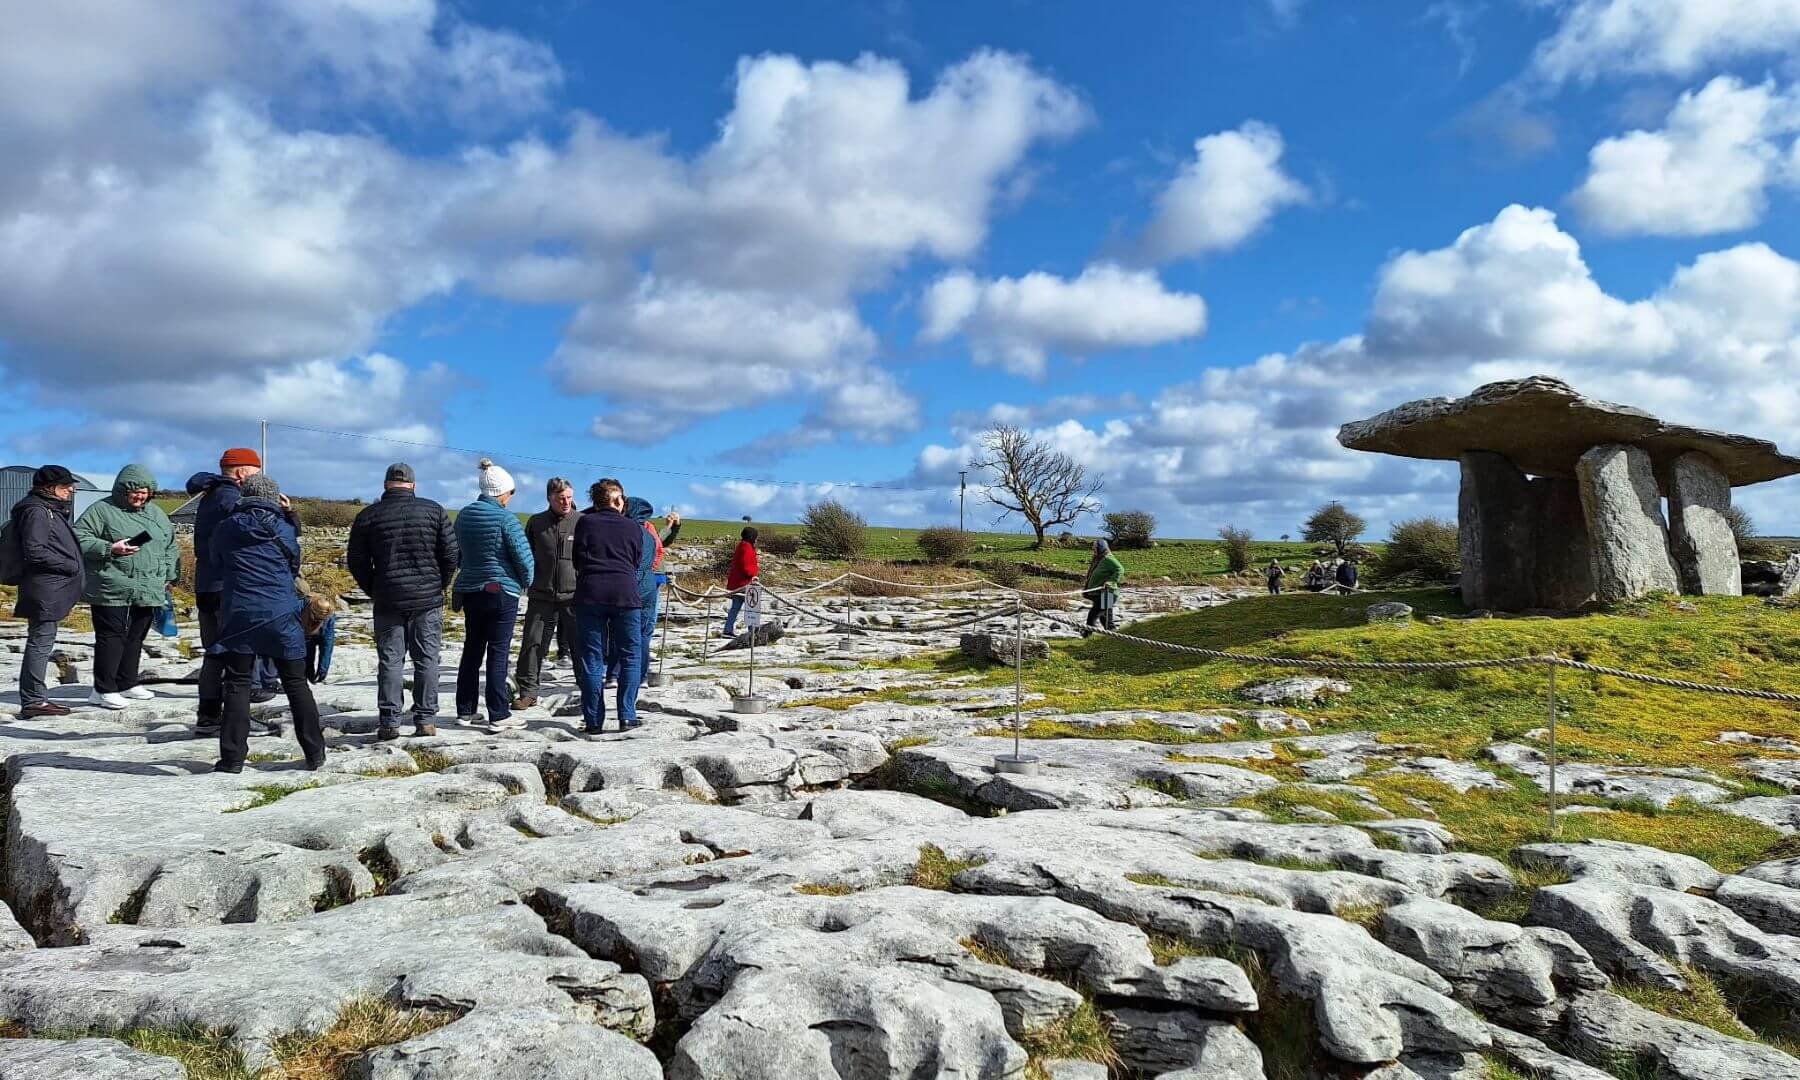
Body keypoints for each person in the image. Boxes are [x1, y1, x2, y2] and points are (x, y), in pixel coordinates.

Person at [205, 473, 327, 773]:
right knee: (296, 683)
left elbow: (215, 561)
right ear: (275, 498)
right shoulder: (284, 530)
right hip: (281, 614)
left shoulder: (225, 528)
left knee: (237, 683)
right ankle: (314, 752)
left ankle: (233, 759)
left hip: (240, 613)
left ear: (244, 495)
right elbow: (294, 565)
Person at [346, 463, 458, 740]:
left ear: (385, 485)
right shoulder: (434, 510)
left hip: (387, 597)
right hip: (427, 597)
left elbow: (356, 561)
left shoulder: (368, 516)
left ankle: (389, 722)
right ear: (413, 485)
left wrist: (374, 588)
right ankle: (426, 719)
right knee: (427, 659)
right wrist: (439, 584)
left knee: (390, 661)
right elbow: (452, 555)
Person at [187, 449, 288, 735]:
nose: (259, 479)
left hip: (207, 583)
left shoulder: (211, 495)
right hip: (228, 586)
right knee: (238, 655)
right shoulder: (231, 500)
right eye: (256, 472)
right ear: (243, 472)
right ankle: (237, 719)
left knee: (214, 653)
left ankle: (208, 716)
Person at [73, 465, 178, 710]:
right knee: (111, 637)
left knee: (136, 635)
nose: (140, 496)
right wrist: (110, 548)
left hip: (150, 586)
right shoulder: (102, 509)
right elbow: (78, 537)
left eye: (145, 492)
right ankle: (102, 689)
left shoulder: (156, 513)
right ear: (122, 490)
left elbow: (170, 544)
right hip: (111, 584)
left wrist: (170, 575)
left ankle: (128, 682)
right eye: (135, 492)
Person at [452, 458, 533, 730]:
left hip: (471, 589)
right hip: (501, 590)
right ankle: (498, 714)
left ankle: (465, 710)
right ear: (503, 492)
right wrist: (526, 582)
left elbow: (458, 553)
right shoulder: (505, 519)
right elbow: (523, 558)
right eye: (510, 494)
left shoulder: (464, 515)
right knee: (498, 653)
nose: (510, 499)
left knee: (472, 650)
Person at [9, 466, 84, 719]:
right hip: (44, 589)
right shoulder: (37, 511)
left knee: (41, 642)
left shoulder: (46, 509)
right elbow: (35, 551)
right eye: (65, 486)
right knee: (40, 644)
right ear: (49, 488)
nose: (71, 489)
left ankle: (35, 699)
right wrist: (70, 565)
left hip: (48, 588)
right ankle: (34, 701)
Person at [572, 478, 644, 735]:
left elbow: (577, 558)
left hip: (590, 592)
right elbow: (636, 560)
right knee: (631, 656)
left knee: (592, 658)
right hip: (625, 592)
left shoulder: (585, 523)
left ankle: (593, 721)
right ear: (618, 500)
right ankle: (627, 714)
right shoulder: (633, 527)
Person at [513, 478, 580, 711]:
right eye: (561, 498)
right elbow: (525, 556)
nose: (566, 502)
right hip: (541, 594)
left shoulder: (582, 522)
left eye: (569, 498)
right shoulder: (536, 522)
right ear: (549, 498)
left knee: (581, 643)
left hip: (574, 596)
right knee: (533, 643)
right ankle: (528, 691)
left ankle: (587, 690)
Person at [721, 526, 759, 638]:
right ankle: (753, 632)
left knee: (736, 607)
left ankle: (728, 629)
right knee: (751, 607)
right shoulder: (746, 548)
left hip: (738, 583)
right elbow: (746, 567)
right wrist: (753, 574)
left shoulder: (742, 546)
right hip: (744, 584)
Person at [1082, 539, 1124, 635]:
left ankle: (1087, 635)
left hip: (1109, 593)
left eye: (1095, 548)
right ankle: (1112, 634)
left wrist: (1111, 581)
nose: (1093, 549)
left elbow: (1120, 569)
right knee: (1105, 617)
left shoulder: (1108, 559)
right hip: (1103, 593)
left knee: (1093, 615)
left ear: (1101, 548)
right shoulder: (1100, 559)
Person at [302, 593, 336, 684]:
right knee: (308, 651)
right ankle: (309, 674)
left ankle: (321, 674)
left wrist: (323, 670)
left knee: (326, 648)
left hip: (325, 628)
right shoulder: (304, 606)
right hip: (308, 627)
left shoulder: (329, 614)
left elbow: (326, 647)